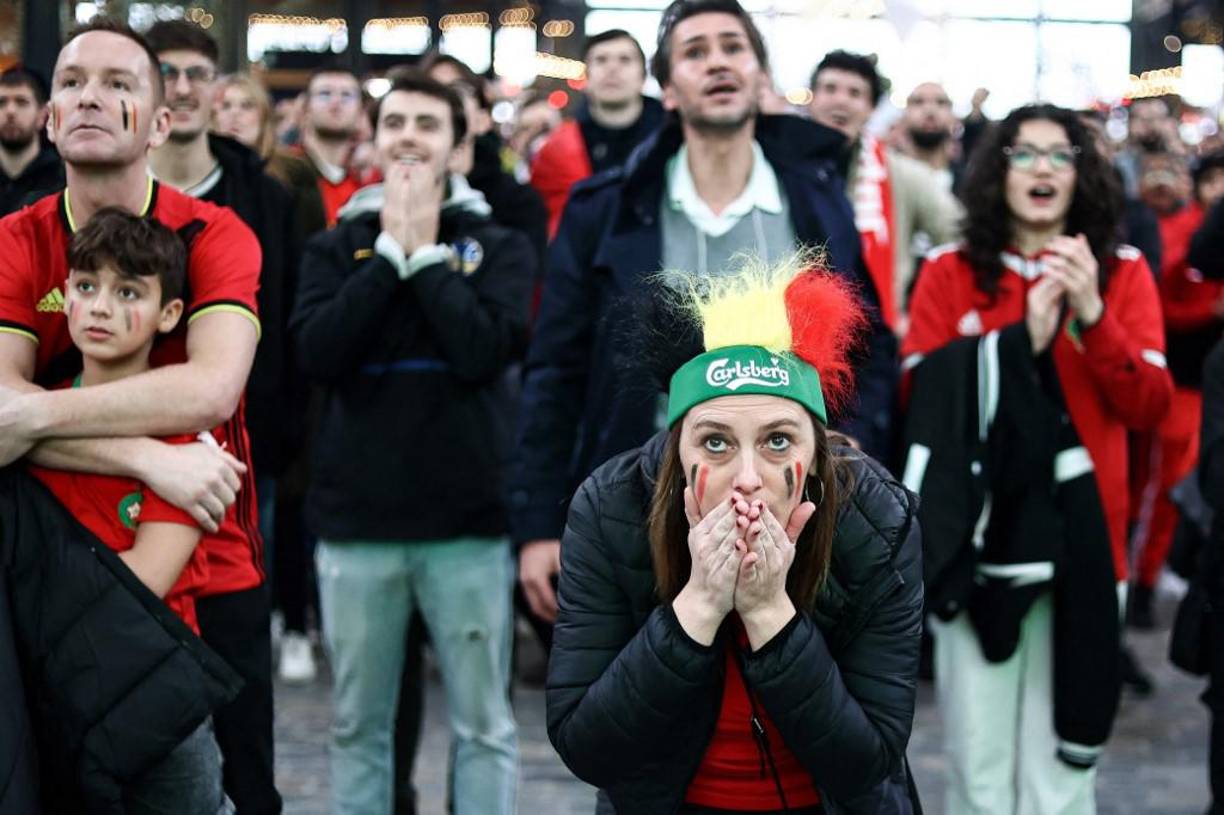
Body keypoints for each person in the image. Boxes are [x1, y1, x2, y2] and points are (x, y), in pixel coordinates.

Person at [512, 0, 897, 629]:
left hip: (791, 515)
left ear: (759, 75)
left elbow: (867, 347)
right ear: (667, 89)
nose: (716, 62)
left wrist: (852, 454)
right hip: (637, 510)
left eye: (732, 47)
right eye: (694, 52)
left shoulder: (816, 200)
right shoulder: (605, 208)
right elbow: (554, 368)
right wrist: (537, 523)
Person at [0, 15, 271, 809]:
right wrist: (149, 455)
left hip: (212, 566)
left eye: (119, 84)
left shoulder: (215, 233)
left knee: (232, 792)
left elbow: (209, 390)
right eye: (72, 84)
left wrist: (32, 420)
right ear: (47, 119)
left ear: (161, 122)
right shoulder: (16, 238)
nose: (91, 98)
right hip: (50, 570)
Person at [546, 254, 923, 814]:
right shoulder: (610, 508)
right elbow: (588, 747)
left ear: (816, 455)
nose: (747, 479)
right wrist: (696, 606)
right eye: (716, 443)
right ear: (678, 449)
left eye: (777, 442)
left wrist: (770, 612)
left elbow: (866, 762)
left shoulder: (876, 518)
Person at [901, 103, 1173, 814]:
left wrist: (1093, 313)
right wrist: (1016, 341)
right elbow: (920, 396)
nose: (1044, 168)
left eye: (1062, 155)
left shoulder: (1124, 271)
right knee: (978, 765)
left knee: (1063, 769)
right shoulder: (947, 270)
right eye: (1025, 154)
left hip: (1088, 545)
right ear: (999, 169)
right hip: (980, 541)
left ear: (1085, 174)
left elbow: (1149, 404)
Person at [291, 71, 533, 815]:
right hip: (357, 523)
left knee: (483, 724)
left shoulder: (501, 245)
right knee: (360, 722)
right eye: (395, 121)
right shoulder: (336, 248)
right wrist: (390, 256)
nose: (407, 137)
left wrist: (426, 259)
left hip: (466, 523)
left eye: (429, 124)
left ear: (460, 146)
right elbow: (317, 353)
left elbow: (483, 349)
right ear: (373, 135)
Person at [28, 207, 230, 814]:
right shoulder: (30, 417)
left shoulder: (186, 444)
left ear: (170, 314)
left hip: (156, 692)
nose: (99, 306)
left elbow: (142, 586)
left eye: (128, 292)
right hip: (51, 692)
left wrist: (34, 586)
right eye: (86, 286)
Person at [1129, 151, 1224, 628]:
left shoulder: (1195, 225)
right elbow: (1161, 310)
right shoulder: (1169, 232)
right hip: (1176, 385)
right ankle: (1142, 580)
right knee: (1162, 489)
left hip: (1197, 387)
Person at [807, 51, 961, 334]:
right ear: (812, 97)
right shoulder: (779, 164)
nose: (841, 100)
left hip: (876, 337)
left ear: (870, 108)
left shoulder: (901, 173)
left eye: (855, 93)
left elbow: (958, 235)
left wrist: (922, 317)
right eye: (830, 88)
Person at [530, 29, 665, 237]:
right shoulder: (555, 151)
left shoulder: (674, 140)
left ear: (643, 76)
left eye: (625, 60)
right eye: (601, 60)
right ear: (586, 77)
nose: (612, 68)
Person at [214, 72, 327, 237]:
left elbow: (313, 238)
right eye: (226, 106)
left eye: (247, 106)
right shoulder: (203, 173)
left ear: (264, 117)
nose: (235, 113)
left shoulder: (295, 170)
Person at [296, 66, 366, 226]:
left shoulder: (366, 187)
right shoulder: (285, 173)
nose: (336, 103)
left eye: (347, 95)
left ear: (361, 111)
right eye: (325, 94)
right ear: (305, 109)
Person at [0, 65, 63, 216]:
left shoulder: (61, 180)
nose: (10, 112)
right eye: (1, 102)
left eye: (21, 102)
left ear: (43, 115)